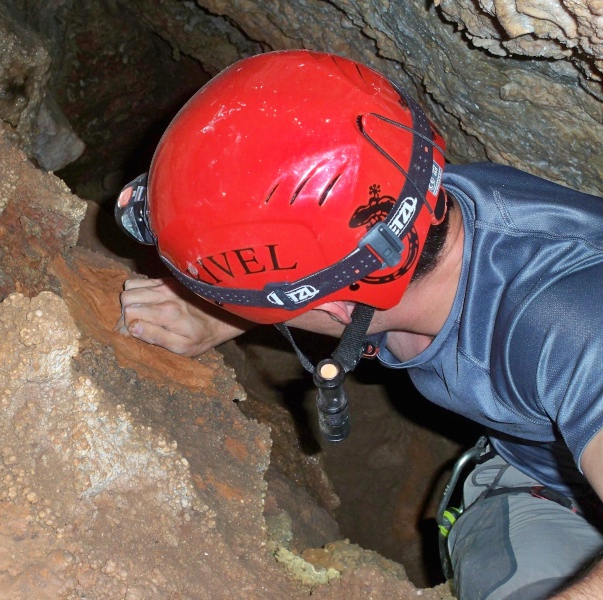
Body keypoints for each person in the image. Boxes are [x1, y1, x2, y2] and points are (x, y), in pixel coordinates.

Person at [114, 50, 603, 599]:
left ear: (343, 309)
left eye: (271, 311)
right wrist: (220, 312)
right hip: (556, 468)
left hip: (548, 483)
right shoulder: (415, 196)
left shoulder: (571, 329)